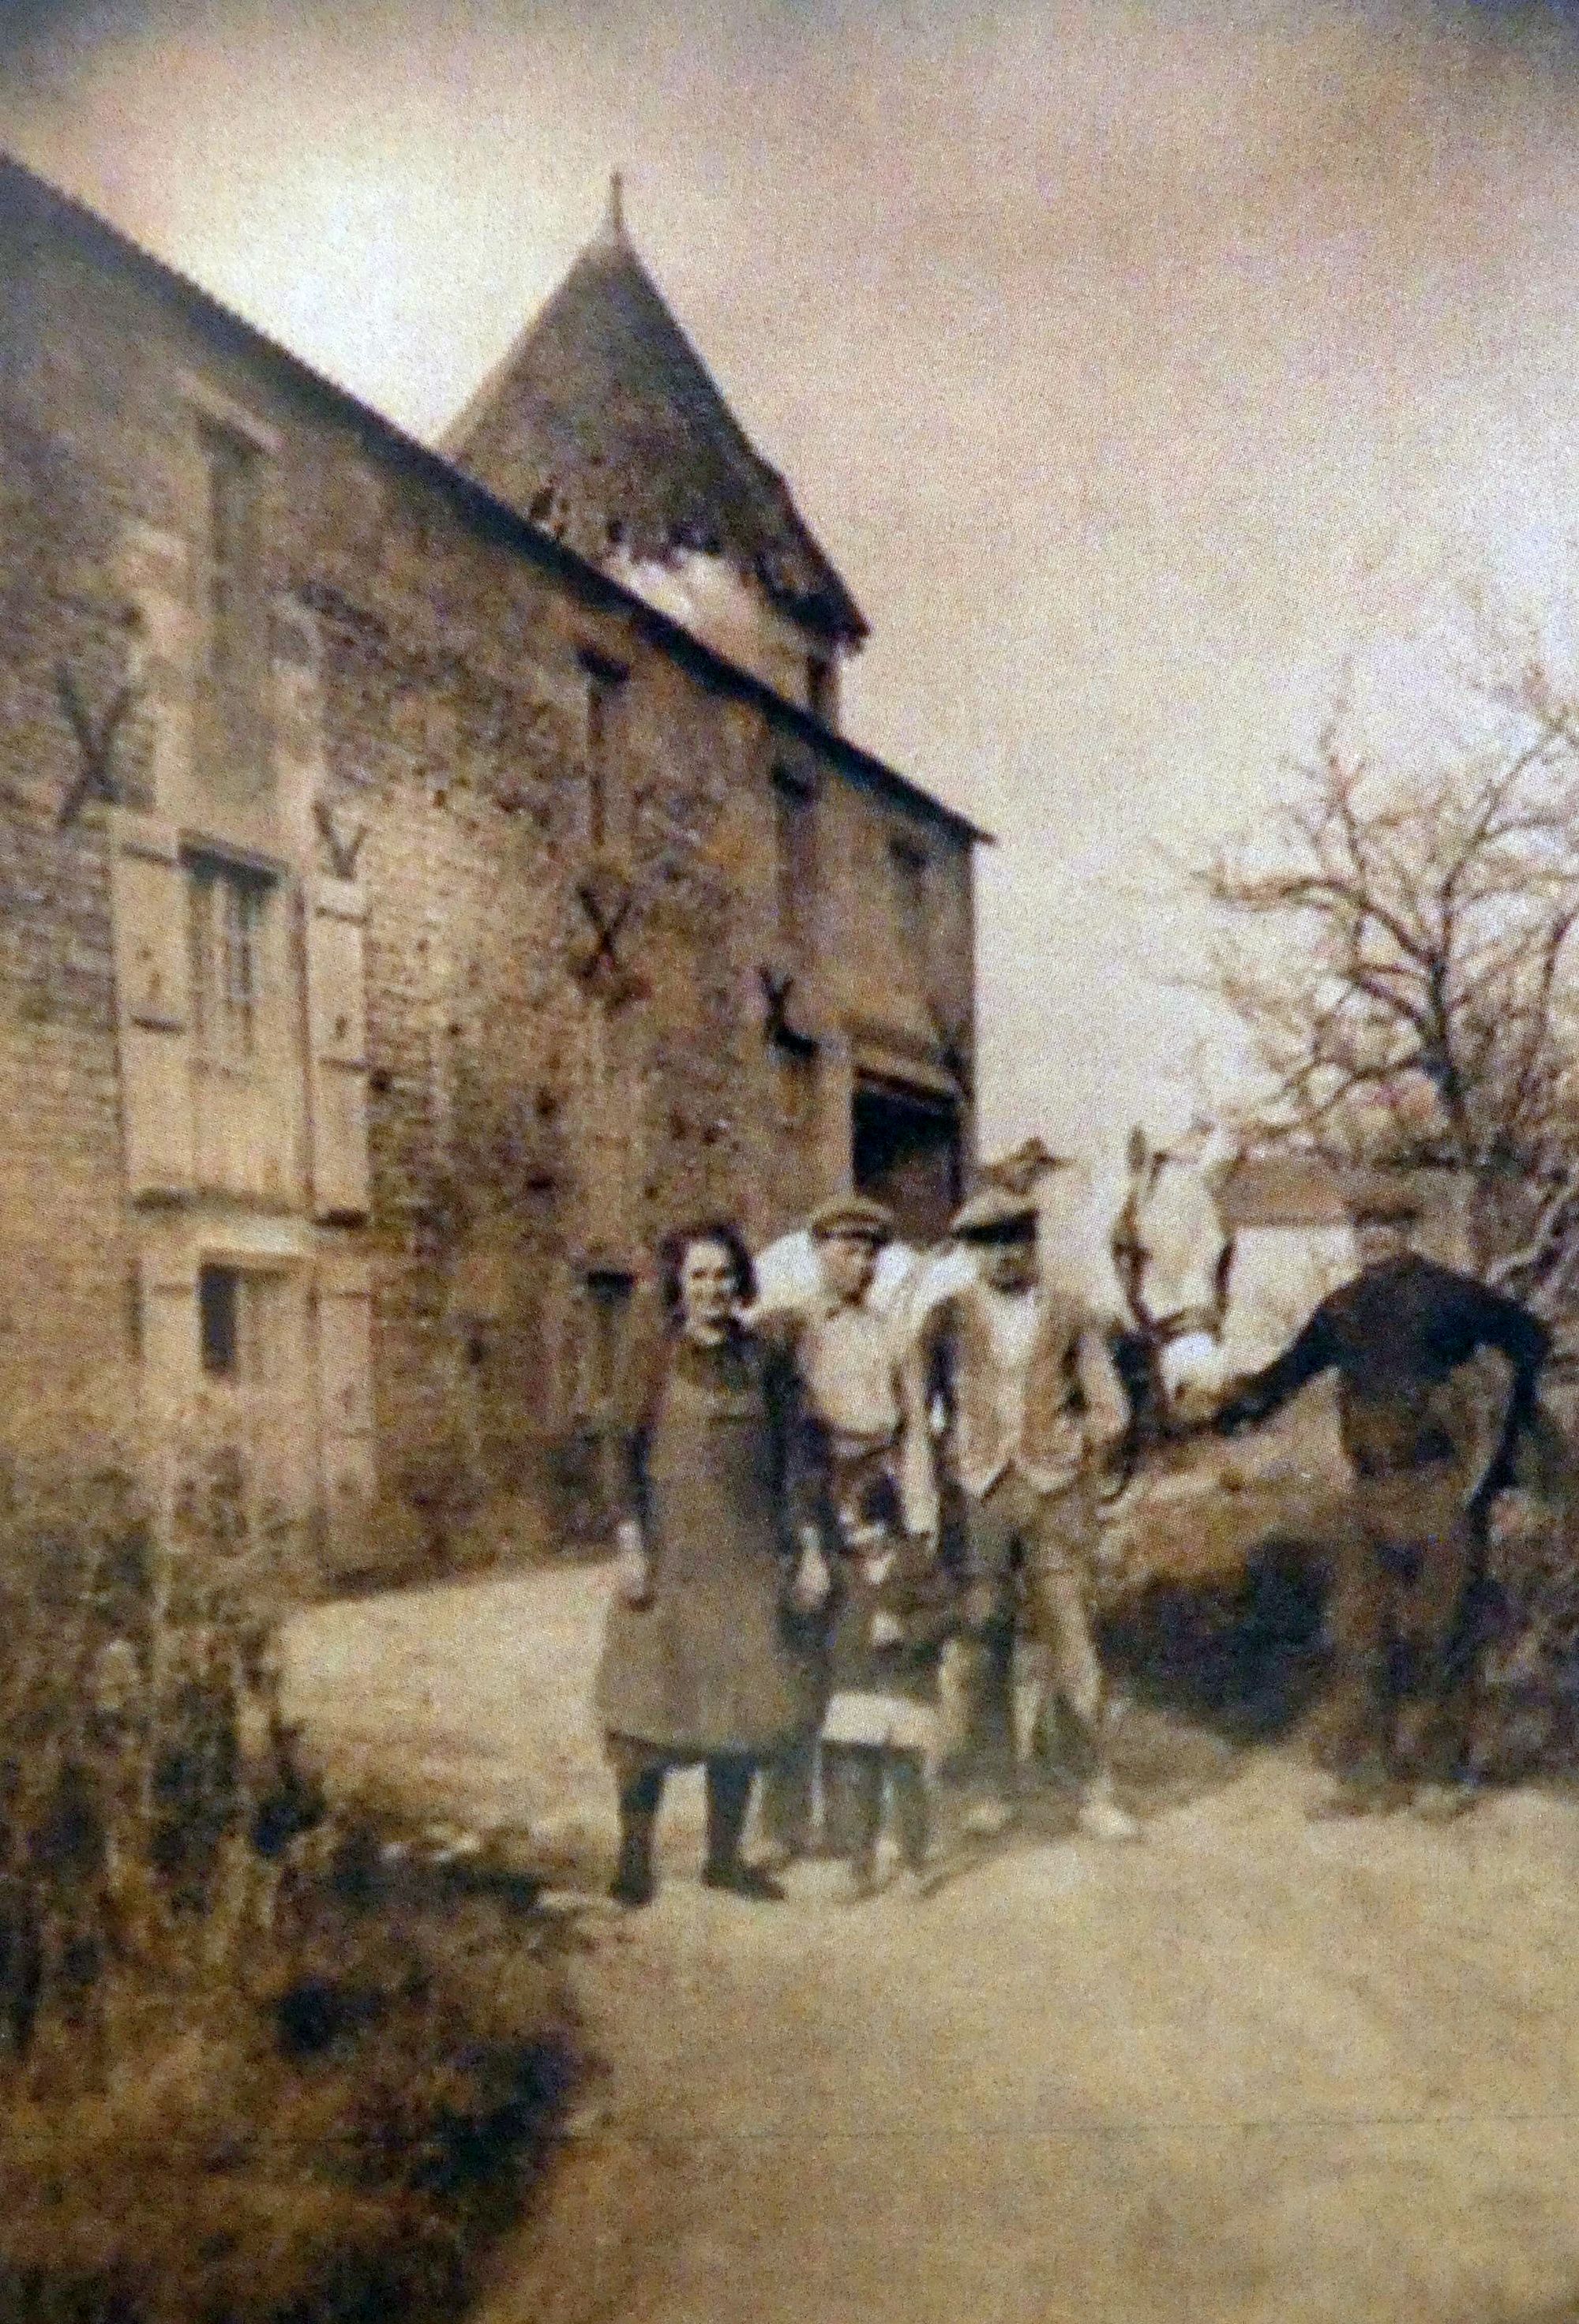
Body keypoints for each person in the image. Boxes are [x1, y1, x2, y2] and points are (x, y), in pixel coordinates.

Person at [1213, 1180, 1551, 1820]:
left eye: (1384, 1226)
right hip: (1370, 1489)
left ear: (1406, 1232)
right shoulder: (1342, 1308)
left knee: (1441, 1628)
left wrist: (1502, 1436)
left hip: (1441, 1487)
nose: (1372, 1238)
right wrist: (1231, 1406)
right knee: (1359, 1632)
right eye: (1362, 1227)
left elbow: (1528, 1339)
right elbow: (1290, 1373)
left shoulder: (1447, 1294)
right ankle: (1370, 1777)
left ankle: (1441, 1778)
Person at [594, 1221, 832, 1906]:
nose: (713, 1289)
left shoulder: (766, 1360)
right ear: (679, 1284)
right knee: (646, 1709)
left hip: (749, 1561)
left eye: (724, 1275)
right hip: (671, 1559)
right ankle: (634, 1858)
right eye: (699, 1277)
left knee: (742, 1712)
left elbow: (797, 1462)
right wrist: (630, 1543)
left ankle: (723, 1859)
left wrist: (809, 1547)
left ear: (742, 1283)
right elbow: (621, 1454)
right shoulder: (651, 1356)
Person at [902, 1183, 1139, 1842]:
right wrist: (932, 1483)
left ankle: (1092, 1788)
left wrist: (1075, 1449)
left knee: (1071, 1638)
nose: (1004, 1256)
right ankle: (994, 1785)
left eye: (1014, 1240)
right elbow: (917, 1416)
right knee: (983, 1638)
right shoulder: (944, 1319)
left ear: (1032, 1245)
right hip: (977, 1497)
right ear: (971, 1252)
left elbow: (1111, 1407)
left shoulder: (1070, 1314)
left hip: (1054, 1497)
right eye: (988, 1244)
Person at [754, 1194, 911, 1867]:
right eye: (849, 1248)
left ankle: (850, 1834)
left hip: (866, 1508)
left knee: (852, 1678)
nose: (863, 1262)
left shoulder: (886, 1332)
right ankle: (780, 1828)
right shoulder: (784, 1331)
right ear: (817, 1250)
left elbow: (900, 1429)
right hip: (800, 1507)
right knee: (790, 1674)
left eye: (872, 1250)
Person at [820, 1521, 960, 1899]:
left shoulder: (915, 1561)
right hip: (858, 1682)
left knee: (906, 1775)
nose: (860, 1540)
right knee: (859, 1776)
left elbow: (949, 1613)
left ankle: (915, 1861)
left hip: (905, 1683)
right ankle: (859, 1866)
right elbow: (825, 1618)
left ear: (886, 1524)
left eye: (867, 1528)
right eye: (850, 1530)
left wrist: (906, 1629)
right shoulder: (839, 1567)